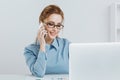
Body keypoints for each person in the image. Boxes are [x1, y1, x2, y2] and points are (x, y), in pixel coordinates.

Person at [24, 4, 70, 77]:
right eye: (51, 24)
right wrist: (42, 45)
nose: (55, 29)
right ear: (41, 24)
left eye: (58, 25)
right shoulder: (30, 50)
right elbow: (38, 73)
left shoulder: (67, 45)